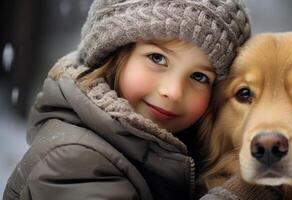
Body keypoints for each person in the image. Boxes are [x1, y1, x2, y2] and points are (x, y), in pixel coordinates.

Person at [3, 0, 254, 199]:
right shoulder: (74, 160)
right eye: (157, 58)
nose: (173, 91)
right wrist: (243, 193)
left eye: (199, 76)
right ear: (115, 53)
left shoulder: (174, 152)